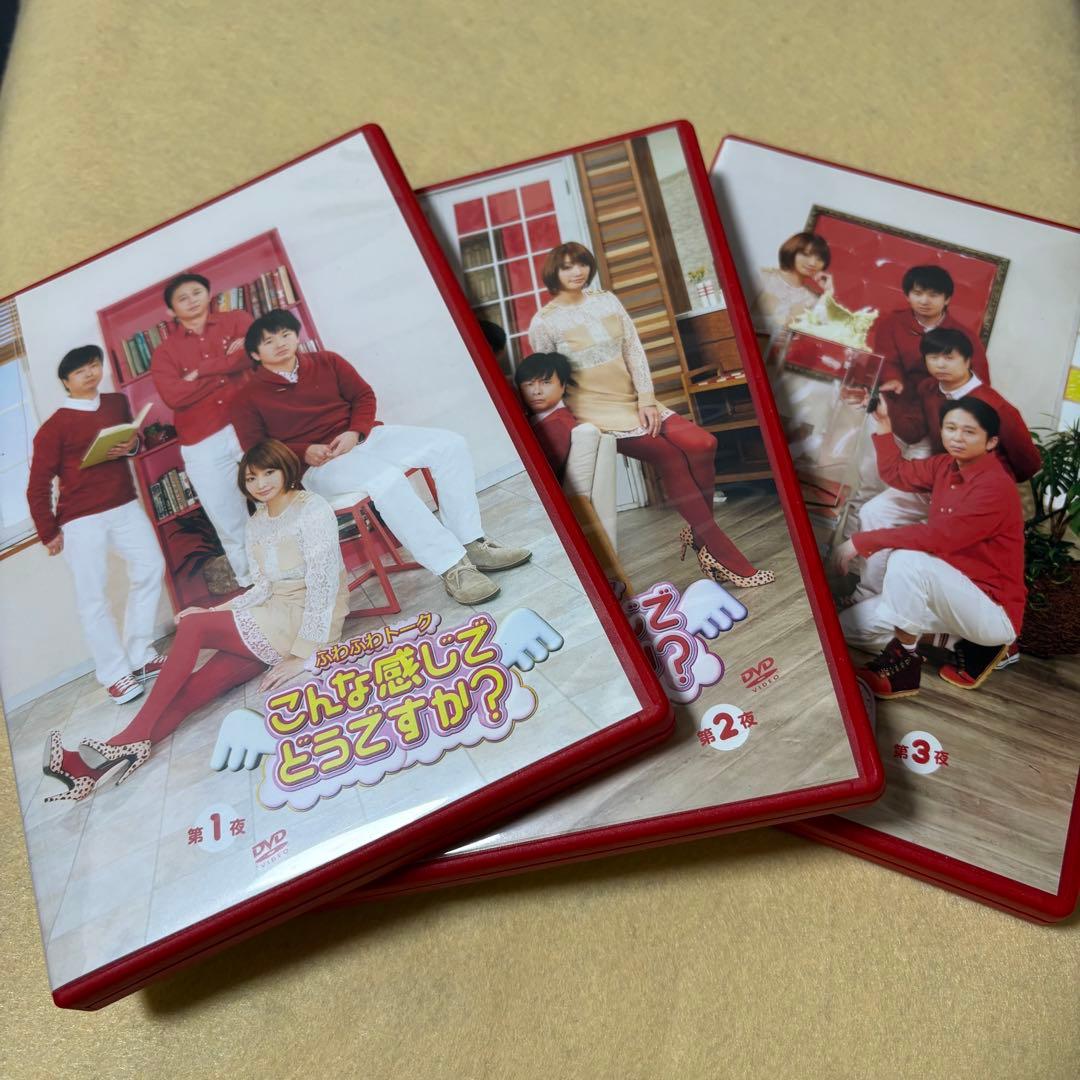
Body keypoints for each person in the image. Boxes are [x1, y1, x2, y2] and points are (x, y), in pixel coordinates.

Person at [41, 440, 350, 803]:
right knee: (191, 692)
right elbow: (263, 588)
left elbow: (325, 585)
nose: (261, 483)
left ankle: (127, 738)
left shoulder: (311, 508)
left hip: (303, 620)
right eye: (252, 477)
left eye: (269, 472)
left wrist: (303, 653)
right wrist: (213, 612)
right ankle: (89, 770)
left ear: (285, 469)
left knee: (192, 627)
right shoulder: (256, 524)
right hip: (272, 616)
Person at [229, 309, 531, 606]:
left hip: (362, 437)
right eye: (269, 341)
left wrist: (355, 432)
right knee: (386, 479)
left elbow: (363, 396)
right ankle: (452, 566)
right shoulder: (246, 398)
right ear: (255, 354)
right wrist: (303, 450)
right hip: (319, 466)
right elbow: (257, 449)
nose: (280, 343)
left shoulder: (327, 361)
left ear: (296, 336)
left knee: (450, 445)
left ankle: (472, 543)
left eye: (285, 334)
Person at [527, 241, 772, 588]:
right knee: (671, 457)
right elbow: (549, 380)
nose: (576, 272)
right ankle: (724, 555)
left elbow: (633, 350)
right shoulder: (544, 323)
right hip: (596, 412)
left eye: (581, 264)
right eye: (567, 266)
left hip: (636, 400)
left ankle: (699, 533)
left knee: (703, 443)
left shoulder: (607, 300)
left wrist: (646, 399)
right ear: (554, 272)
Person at [833, 397, 1024, 698]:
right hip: (947, 596)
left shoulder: (995, 486)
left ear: (991, 442)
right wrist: (884, 425)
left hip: (990, 608)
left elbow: (940, 538)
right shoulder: (945, 465)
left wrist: (860, 541)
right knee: (847, 629)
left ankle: (905, 666)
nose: (957, 437)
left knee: (908, 559)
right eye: (951, 428)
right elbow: (896, 473)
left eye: (969, 431)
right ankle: (952, 641)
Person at [846, 327, 1040, 604]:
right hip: (940, 476)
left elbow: (1028, 462)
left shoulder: (996, 406)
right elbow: (914, 431)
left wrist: (986, 478)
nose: (940, 364)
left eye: (949, 357)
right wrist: (885, 411)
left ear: (968, 360)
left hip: (976, 488)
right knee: (875, 511)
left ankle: (901, 605)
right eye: (933, 357)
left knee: (941, 543)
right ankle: (867, 596)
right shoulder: (929, 389)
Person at [26, 345, 166, 704]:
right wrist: (48, 531)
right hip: (80, 519)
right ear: (65, 382)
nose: (90, 374)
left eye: (93, 366)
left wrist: (131, 446)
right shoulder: (53, 428)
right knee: (93, 598)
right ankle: (114, 674)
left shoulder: (116, 404)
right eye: (79, 371)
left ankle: (139, 655)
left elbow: (136, 442)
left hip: (124, 504)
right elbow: (37, 484)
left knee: (151, 566)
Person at [151, 272, 254, 586]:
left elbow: (253, 353)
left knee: (280, 496)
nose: (192, 300)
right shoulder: (165, 353)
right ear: (171, 311)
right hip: (202, 442)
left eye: (197, 292)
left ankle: (305, 565)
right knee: (227, 517)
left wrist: (201, 372)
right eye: (182, 298)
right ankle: (253, 584)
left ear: (209, 294)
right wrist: (227, 366)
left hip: (249, 422)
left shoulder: (237, 319)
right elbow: (174, 396)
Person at [751, 231, 835, 338]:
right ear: (792, 251)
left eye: (819, 259)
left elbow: (820, 332)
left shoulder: (814, 299)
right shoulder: (763, 278)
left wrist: (828, 292)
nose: (812, 263)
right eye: (806, 254)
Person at [513, 351, 580, 480]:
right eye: (529, 384)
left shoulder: (557, 426)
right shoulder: (545, 419)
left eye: (546, 382)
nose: (536, 391)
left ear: (563, 385)